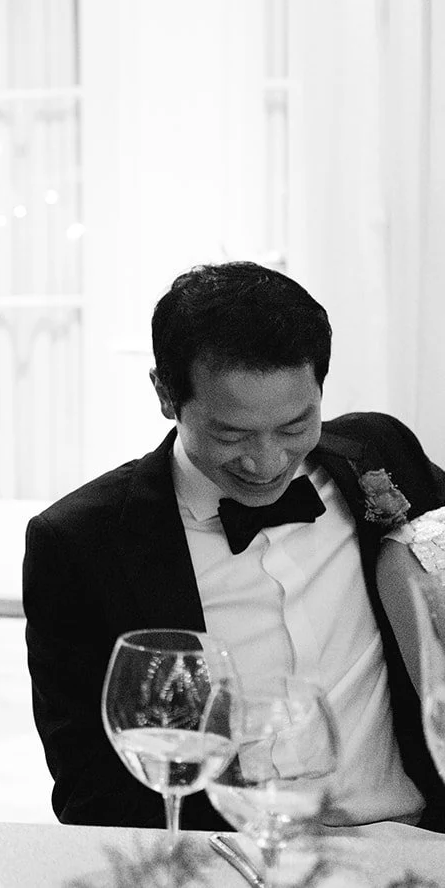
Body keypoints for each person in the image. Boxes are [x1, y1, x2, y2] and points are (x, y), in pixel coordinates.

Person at [24, 261, 445, 830]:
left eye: (295, 425)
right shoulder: (81, 543)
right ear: (165, 395)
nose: (268, 461)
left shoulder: (379, 453)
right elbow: (91, 782)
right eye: (231, 434)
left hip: (411, 845)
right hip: (222, 857)